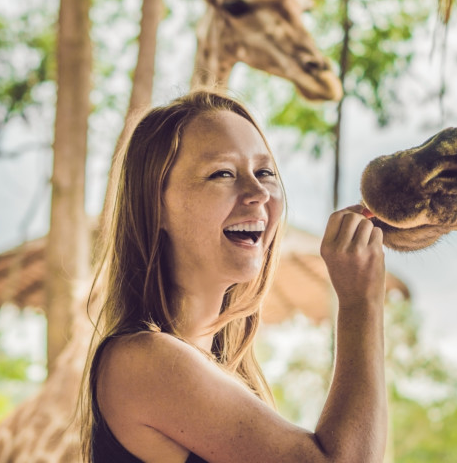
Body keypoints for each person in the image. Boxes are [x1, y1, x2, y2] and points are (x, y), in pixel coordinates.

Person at [79, 91, 387, 463]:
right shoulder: (141, 360)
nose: (257, 192)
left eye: (266, 172)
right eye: (222, 173)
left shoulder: (225, 375)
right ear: (155, 204)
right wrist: (359, 302)